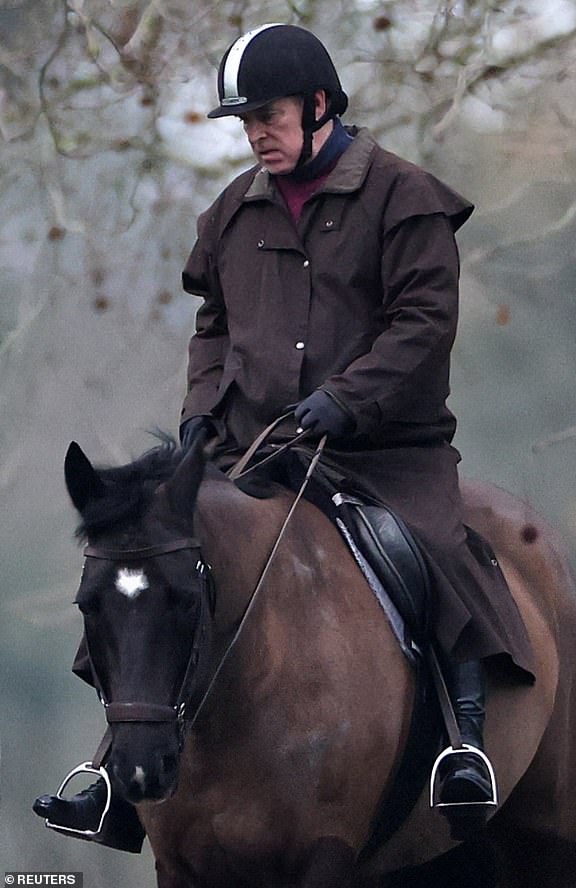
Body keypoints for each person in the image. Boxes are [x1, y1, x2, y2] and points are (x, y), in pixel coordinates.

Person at [34, 23, 533, 849]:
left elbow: (423, 322)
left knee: (436, 550)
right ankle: (112, 774)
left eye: (267, 115)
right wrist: (201, 409)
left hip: (382, 453)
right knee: (147, 569)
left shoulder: (406, 200)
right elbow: (213, 327)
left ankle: (462, 744)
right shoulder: (232, 211)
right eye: (245, 121)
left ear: (320, 104)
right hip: (255, 452)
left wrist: (350, 399)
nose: (255, 133)